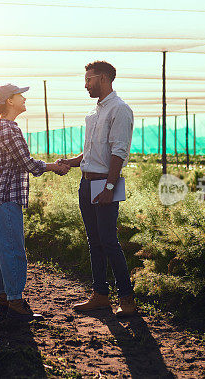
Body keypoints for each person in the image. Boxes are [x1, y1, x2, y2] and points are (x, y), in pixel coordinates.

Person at [0, 83, 70, 322]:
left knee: (1, 251)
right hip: (6, 197)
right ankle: (16, 303)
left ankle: (3, 298)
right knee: (13, 250)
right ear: (10, 101)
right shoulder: (10, 129)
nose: (24, 98)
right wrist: (55, 167)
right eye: (20, 95)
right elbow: (28, 164)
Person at [58, 61, 137, 316]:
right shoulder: (93, 114)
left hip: (105, 183)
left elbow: (118, 152)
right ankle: (100, 295)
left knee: (109, 241)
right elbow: (91, 153)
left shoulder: (120, 109)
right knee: (95, 242)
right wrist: (70, 162)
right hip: (87, 183)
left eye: (88, 79)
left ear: (103, 78)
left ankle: (127, 300)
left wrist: (110, 186)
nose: (85, 85)